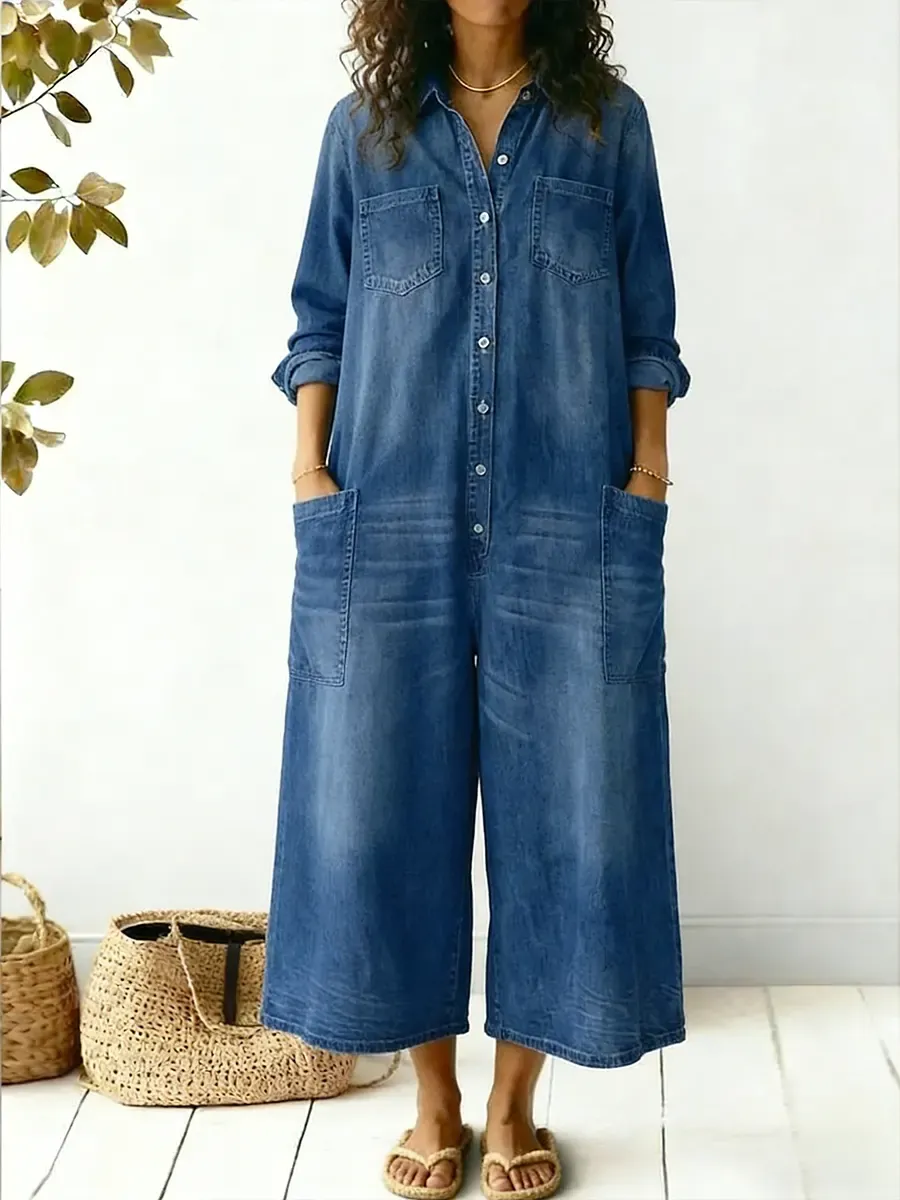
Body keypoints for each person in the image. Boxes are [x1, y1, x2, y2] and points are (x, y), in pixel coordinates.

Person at [260, 1, 690, 1196]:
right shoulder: (364, 132)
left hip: (571, 516)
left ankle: (513, 1106)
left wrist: (648, 477)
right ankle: (433, 1101)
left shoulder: (609, 127)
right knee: (376, 809)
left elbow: (648, 327)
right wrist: (310, 472)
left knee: (574, 812)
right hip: (384, 516)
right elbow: (320, 319)